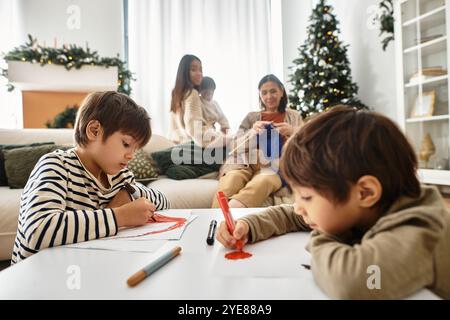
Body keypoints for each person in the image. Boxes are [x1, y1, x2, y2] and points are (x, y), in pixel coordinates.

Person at [216, 105, 450, 299]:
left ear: (365, 192)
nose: (298, 206)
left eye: (307, 197)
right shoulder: (370, 206)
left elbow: (352, 282)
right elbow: (291, 215)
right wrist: (248, 227)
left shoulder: (419, 229)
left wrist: (326, 234)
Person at [12, 91, 170, 264]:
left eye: (136, 149)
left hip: (84, 269)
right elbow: (38, 231)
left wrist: (128, 193)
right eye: (126, 144)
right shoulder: (56, 166)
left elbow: (163, 203)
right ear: (94, 131)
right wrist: (119, 216)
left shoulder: (120, 177)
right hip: (38, 281)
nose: (131, 155)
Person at [212, 74, 303, 208]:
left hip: (275, 166)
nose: (269, 96)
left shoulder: (294, 116)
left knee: (263, 182)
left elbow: (306, 146)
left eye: (273, 91)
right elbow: (235, 147)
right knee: (231, 182)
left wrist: (292, 131)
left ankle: (229, 214)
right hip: (244, 163)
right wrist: (252, 133)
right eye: (264, 92)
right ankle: (213, 221)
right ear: (260, 95)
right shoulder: (251, 117)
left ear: (281, 92)